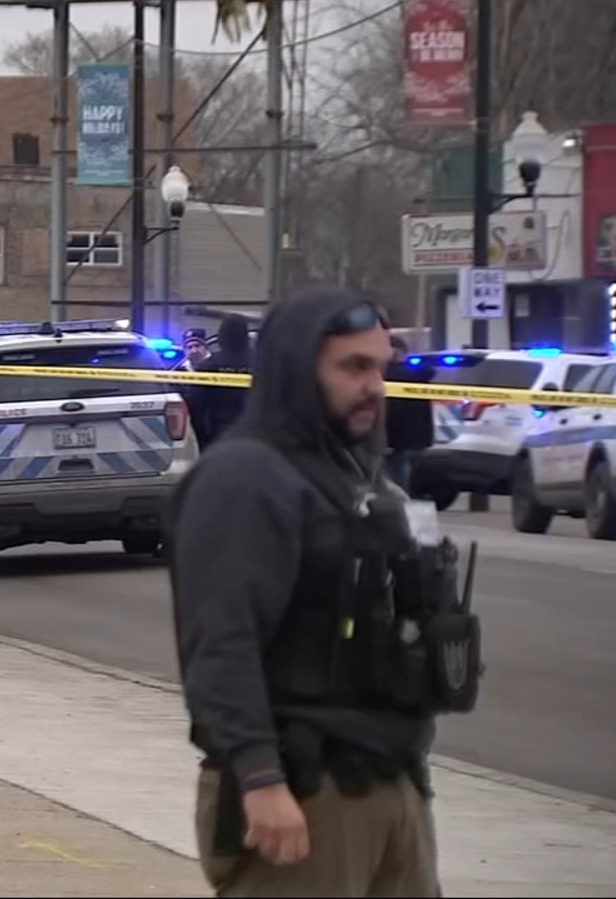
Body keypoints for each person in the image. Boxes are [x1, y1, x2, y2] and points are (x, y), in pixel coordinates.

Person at [168, 287, 480, 898]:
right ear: (297, 369)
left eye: (380, 368)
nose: (374, 387)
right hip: (305, 793)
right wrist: (260, 776)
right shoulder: (246, 480)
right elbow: (221, 643)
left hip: (393, 783)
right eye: (353, 367)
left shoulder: (362, 479)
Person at [188, 314, 253, 447]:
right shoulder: (263, 362)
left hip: (220, 433)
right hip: (257, 433)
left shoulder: (209, 365)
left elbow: (195, 403)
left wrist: (202, 436)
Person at [382, 335, 435, 494]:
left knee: (396, 483)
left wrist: (387, 439)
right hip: (421, 439)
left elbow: (392, 409)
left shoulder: (392, 375)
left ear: (394, 351)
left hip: (399, 440)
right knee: (410, 479)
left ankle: (401, 506)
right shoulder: (420, 374)